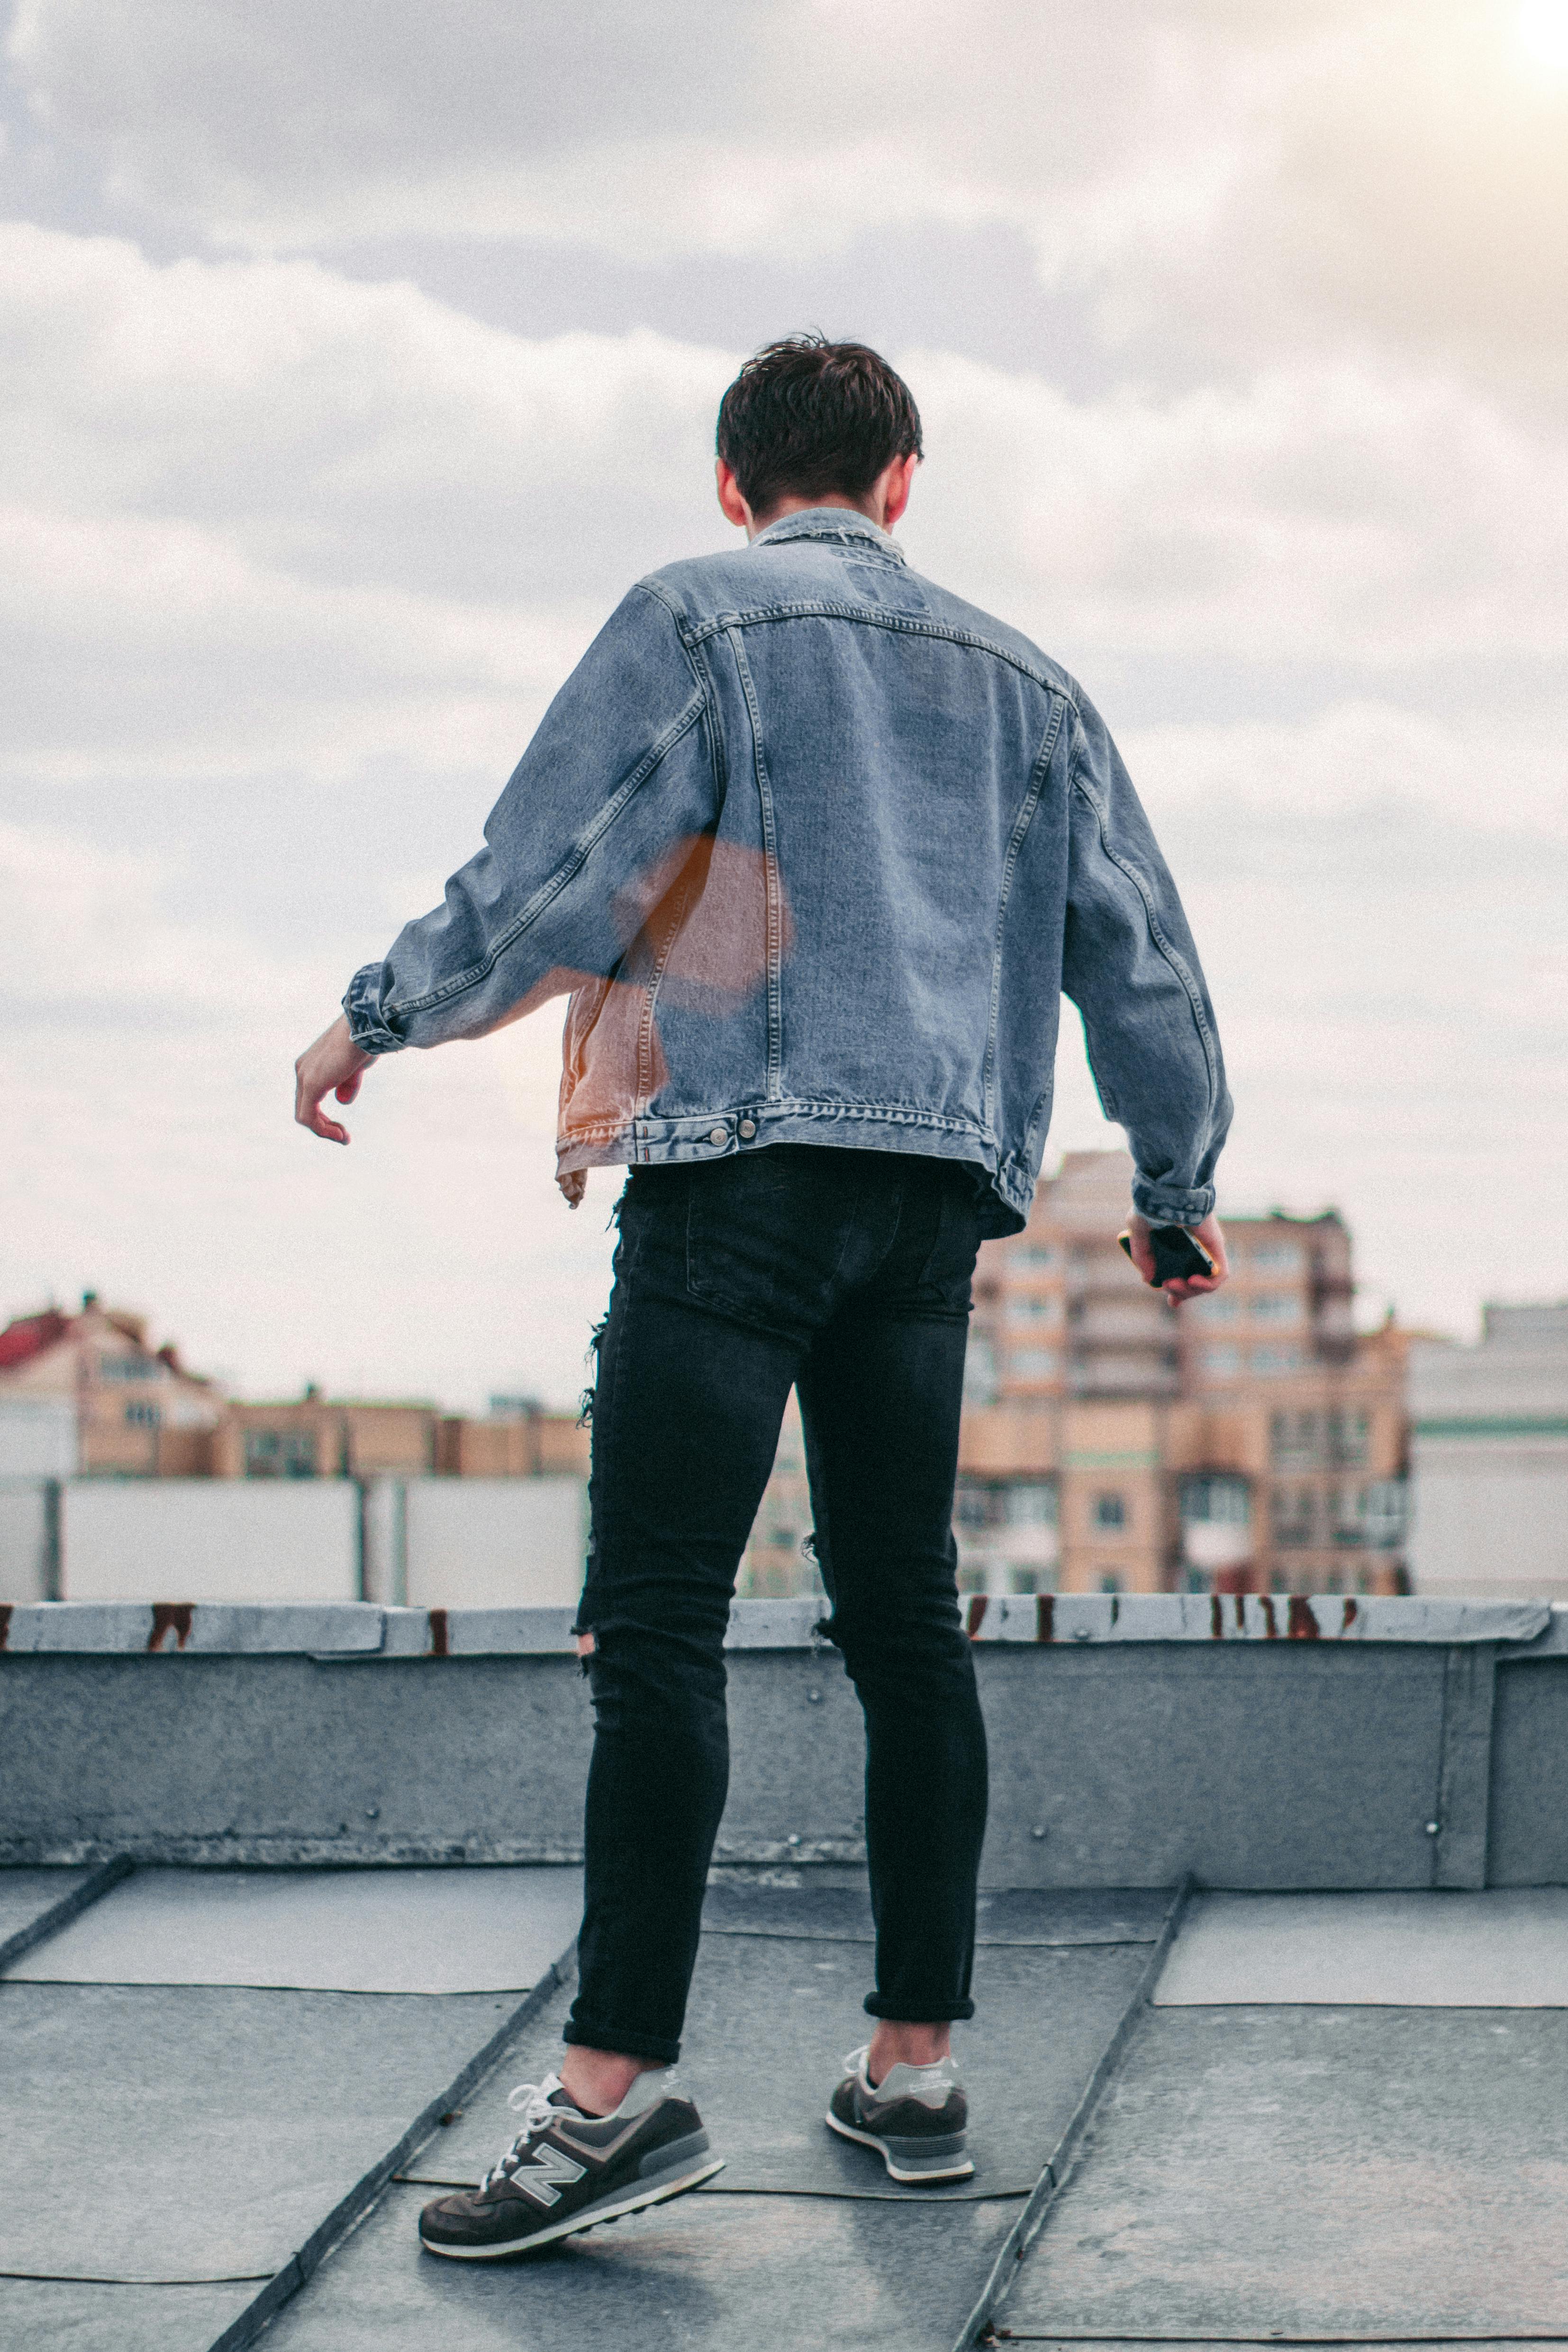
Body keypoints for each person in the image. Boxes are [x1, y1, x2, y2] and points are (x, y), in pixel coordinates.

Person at [293, 335, 1232, 2260]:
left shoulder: (698, 617)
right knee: (904, 1620)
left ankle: (609, 2100)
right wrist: (1174, 1183)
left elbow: (555, 866)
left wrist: (377, 1012)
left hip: (740, 1178)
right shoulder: (1031, 678)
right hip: (930, 1208)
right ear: (903, 481)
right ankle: (914, 2065)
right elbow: (1137, 946)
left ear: (736, 484)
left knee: (657, 1628)